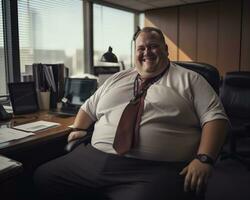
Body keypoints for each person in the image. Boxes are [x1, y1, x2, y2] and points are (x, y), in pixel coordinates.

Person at [34, 27, 229, 200]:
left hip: (154, 168)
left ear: (166, 50)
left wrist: (204, 158)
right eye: (141, 48)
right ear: (135, 53)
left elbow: (215, 118)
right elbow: (88, 107)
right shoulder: (117, 78)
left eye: (153, 46)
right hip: (93, 158)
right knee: (43, 177)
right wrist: (78, 128)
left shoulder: (190, 79)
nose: (147, 52)